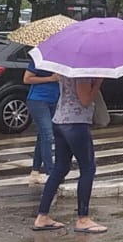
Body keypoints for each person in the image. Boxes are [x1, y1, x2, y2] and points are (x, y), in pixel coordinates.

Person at [33, 75, 107, 233]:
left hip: (60, 120)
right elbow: (85, 99)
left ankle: (42, 215)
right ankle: (83, 219)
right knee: (88, 168)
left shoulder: (66, 67)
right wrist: (98, 83)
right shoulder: (82, 72)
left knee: (60, 168)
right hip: (76, 122)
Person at [24, 59, 60, 185]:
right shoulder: (38, 58)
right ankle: (51, 173)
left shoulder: (60, 60)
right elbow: (27, 79)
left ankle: (35, 171)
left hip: (53, 99)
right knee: (47, 136)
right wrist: (51, 78)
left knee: (42, 137)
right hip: (38, 100)